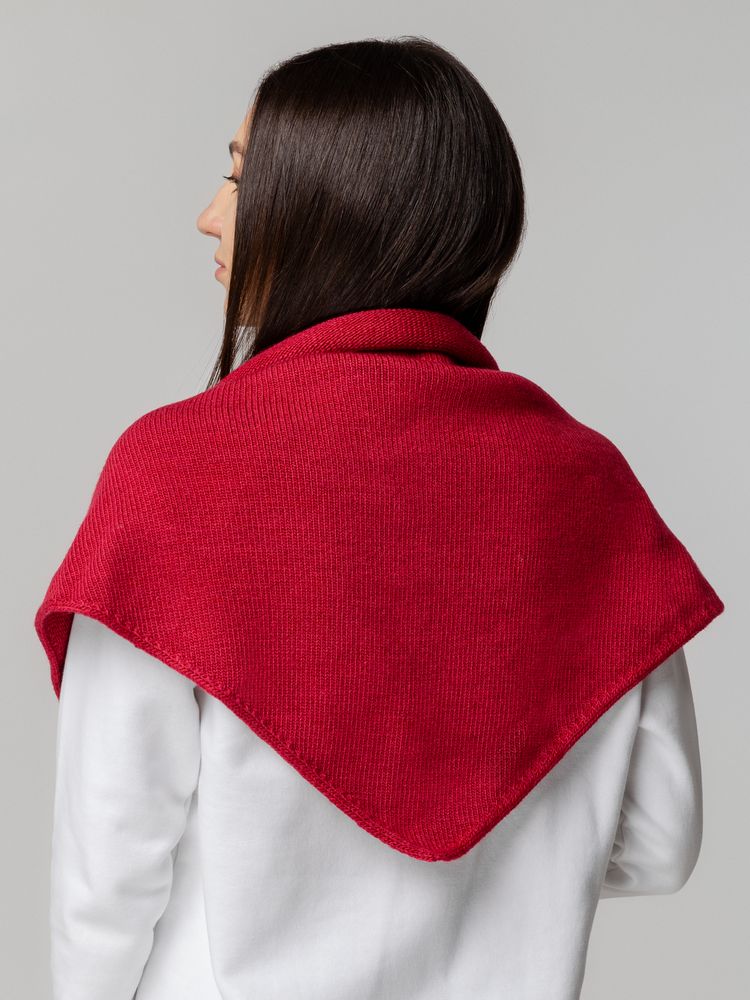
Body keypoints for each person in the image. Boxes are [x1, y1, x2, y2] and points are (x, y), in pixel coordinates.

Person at [36, 37, 723, 1000]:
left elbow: (106, 874)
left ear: (326, 207)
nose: (209, 216)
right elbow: (659, 841)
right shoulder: (588, 487)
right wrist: (506, 871)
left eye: (240, 177)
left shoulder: (175, 474)